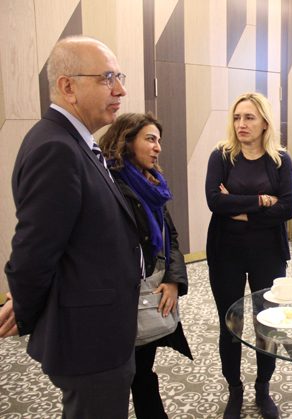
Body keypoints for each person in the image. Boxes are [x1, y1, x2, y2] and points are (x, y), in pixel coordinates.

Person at [0, 36, 140, 418]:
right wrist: (25, 308)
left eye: (119, 77)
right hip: (88, 339)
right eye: (107, 78)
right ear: (68, 87)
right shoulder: (56, 148)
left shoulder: (73, 141)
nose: (120, 90)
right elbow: (34, 250)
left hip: (100, 327)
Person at [205, 92, 292, 419]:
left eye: (249, 118)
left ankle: (262, 386)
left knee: (266, 323)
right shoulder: (222, 156)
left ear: (265, 123)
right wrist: (261, 201)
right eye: (236, 117)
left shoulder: (280, 160)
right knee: (231, 323)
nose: (241, 124)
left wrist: (240, 210)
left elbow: (288, 207)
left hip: (268, 252)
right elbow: (215, 201)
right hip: (225, 252)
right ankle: (235, 388)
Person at [99, 113, 193, 418]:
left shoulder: (152, 185)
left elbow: (170, 237)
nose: (158, 148)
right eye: (150, 139)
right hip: (115, 300)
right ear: (126, 141)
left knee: (142, 372)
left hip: (148, 294)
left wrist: (174, 279)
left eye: (159, 141)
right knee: (114, 381)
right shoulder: (107, 184)